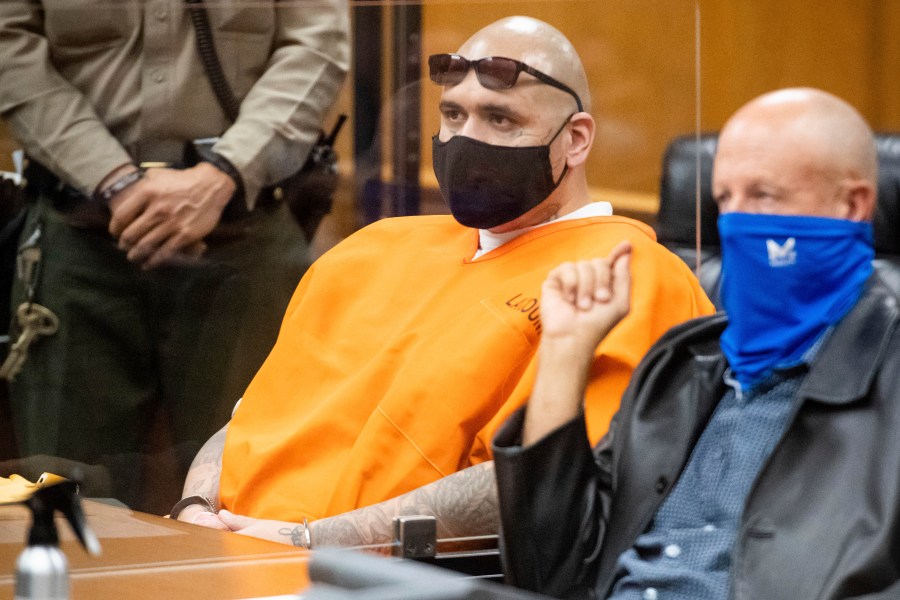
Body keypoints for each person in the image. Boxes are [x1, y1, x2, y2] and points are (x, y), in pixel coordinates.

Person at [171, 16, 714, 548]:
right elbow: (250, 418)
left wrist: (310, 540)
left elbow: (545, 482)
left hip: (373, 579)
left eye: (500, 119)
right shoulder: (372, 247)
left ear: (574, 140)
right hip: (213, 551)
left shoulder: (627, 274)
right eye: (453, 114)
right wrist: (194, 510)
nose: (464, 138)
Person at [493, 87, 900, 599]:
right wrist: (564, 352)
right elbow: (549, 571)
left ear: (852, 205)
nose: (735, 221)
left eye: (764, 196)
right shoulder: (681, 365)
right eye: (725, 200)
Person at [0, 0, 350, 513]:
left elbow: (316, 45)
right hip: (79, 235)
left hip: (243, 234)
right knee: (63, 491)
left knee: (258, 487)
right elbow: (10, 47)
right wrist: (111, 179)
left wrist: (225, 173)